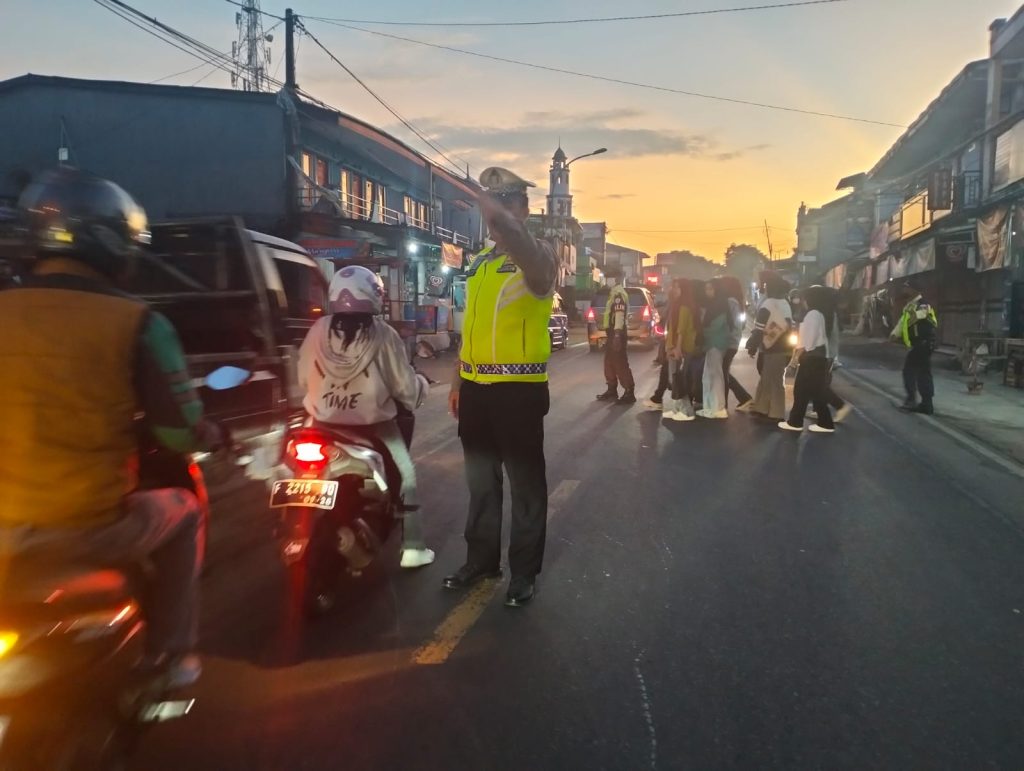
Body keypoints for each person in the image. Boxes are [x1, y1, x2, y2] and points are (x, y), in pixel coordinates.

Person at [0, 169, 214, 688]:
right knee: (185, 512)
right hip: (87, 524)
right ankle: (172, 656)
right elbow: (180, 434)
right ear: (114, 243)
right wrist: (211, 434)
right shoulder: (138, 323)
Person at [444, 167, 558, 608]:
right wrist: (458, 381)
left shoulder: (540, 257)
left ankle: (524, 573)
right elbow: (470, 329)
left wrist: (495, 212)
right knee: (481, 482)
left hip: (518, 391)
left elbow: (522, 245)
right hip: (476, 389)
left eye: (509, 202)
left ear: (524, 209)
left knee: (526, 485)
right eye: (495, 203)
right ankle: (481, 561)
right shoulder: (481, 264)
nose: (500, 214)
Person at [297, 265, 434, 569]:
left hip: (319, 426)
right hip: (373, 428)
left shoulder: (318, 330)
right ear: (375, 297)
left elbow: (302, 378)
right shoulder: (384, 335)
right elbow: (405, 389)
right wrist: (422, 385)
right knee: (407, 476)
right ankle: (412, 549)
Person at [780, 285, 840, 433]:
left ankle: (796, 422)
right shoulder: (819, 313)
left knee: (801, 391)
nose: (802, 301)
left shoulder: (813, 314)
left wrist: (795, 360)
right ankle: (824, 423)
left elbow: (808, 342)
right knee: (814, 392)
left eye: (804, 298)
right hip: (818, 359)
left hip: (812, 359)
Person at [744, 271, 793, 421]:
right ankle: (762, 407)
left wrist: (751, 346)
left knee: (772, 380)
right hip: (784, 347)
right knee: (770, 377)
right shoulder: (785, 303)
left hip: (771, 347)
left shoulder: (767, 304)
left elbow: (758, 330)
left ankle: (775, 412)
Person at [891, 281, 938, 415]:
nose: (905, 289)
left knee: (910, 371)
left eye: (907, 287)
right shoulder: (911, 306)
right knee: (923, 372)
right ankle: (926, 404)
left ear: (914, 290)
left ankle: (912, 400)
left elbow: (917, 317)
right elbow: (903, 322)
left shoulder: (923, 304)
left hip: (923, 343)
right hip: (919, 344)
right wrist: (895, 334)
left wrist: (910, 315)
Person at [661, 279, 700, 422]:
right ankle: (677, 409)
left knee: (678, 379)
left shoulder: (683, 307)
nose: (674, 290)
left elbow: (681, 330)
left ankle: (686, 411)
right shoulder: (680, 305)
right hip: (676, 346)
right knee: (676, 378)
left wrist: (677, 348)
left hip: (681, 347)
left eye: (676, 287)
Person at [596, 279, 636, 405]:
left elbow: (619, 315)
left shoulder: (618, 294)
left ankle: (629, 392)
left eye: (609, 278)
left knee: (620, 363)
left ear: (614, 279)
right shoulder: (613, 293)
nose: (607, 281)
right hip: (613, 332)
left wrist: (617, 334)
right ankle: (612, 389)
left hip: (617, 332)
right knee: (609, 362)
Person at [716, 276, 753, 410]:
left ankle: (723, 405)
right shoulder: (737, 301)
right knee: (723, 371)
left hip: (728, 342)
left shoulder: (730, 302)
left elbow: (730, 323)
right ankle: (743, 398)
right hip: (733, 341)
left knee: (722, 372)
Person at [697, 280, 733, 419]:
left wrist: (700, 332)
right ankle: (709, 407)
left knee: (715, 376)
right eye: (706, 289)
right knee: (708, 376)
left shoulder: (720, 306)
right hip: (711, 345)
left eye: (710, 289)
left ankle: (718, 408)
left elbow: (714, 328)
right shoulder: (714, 305)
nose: (708, 292)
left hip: (716, 344)